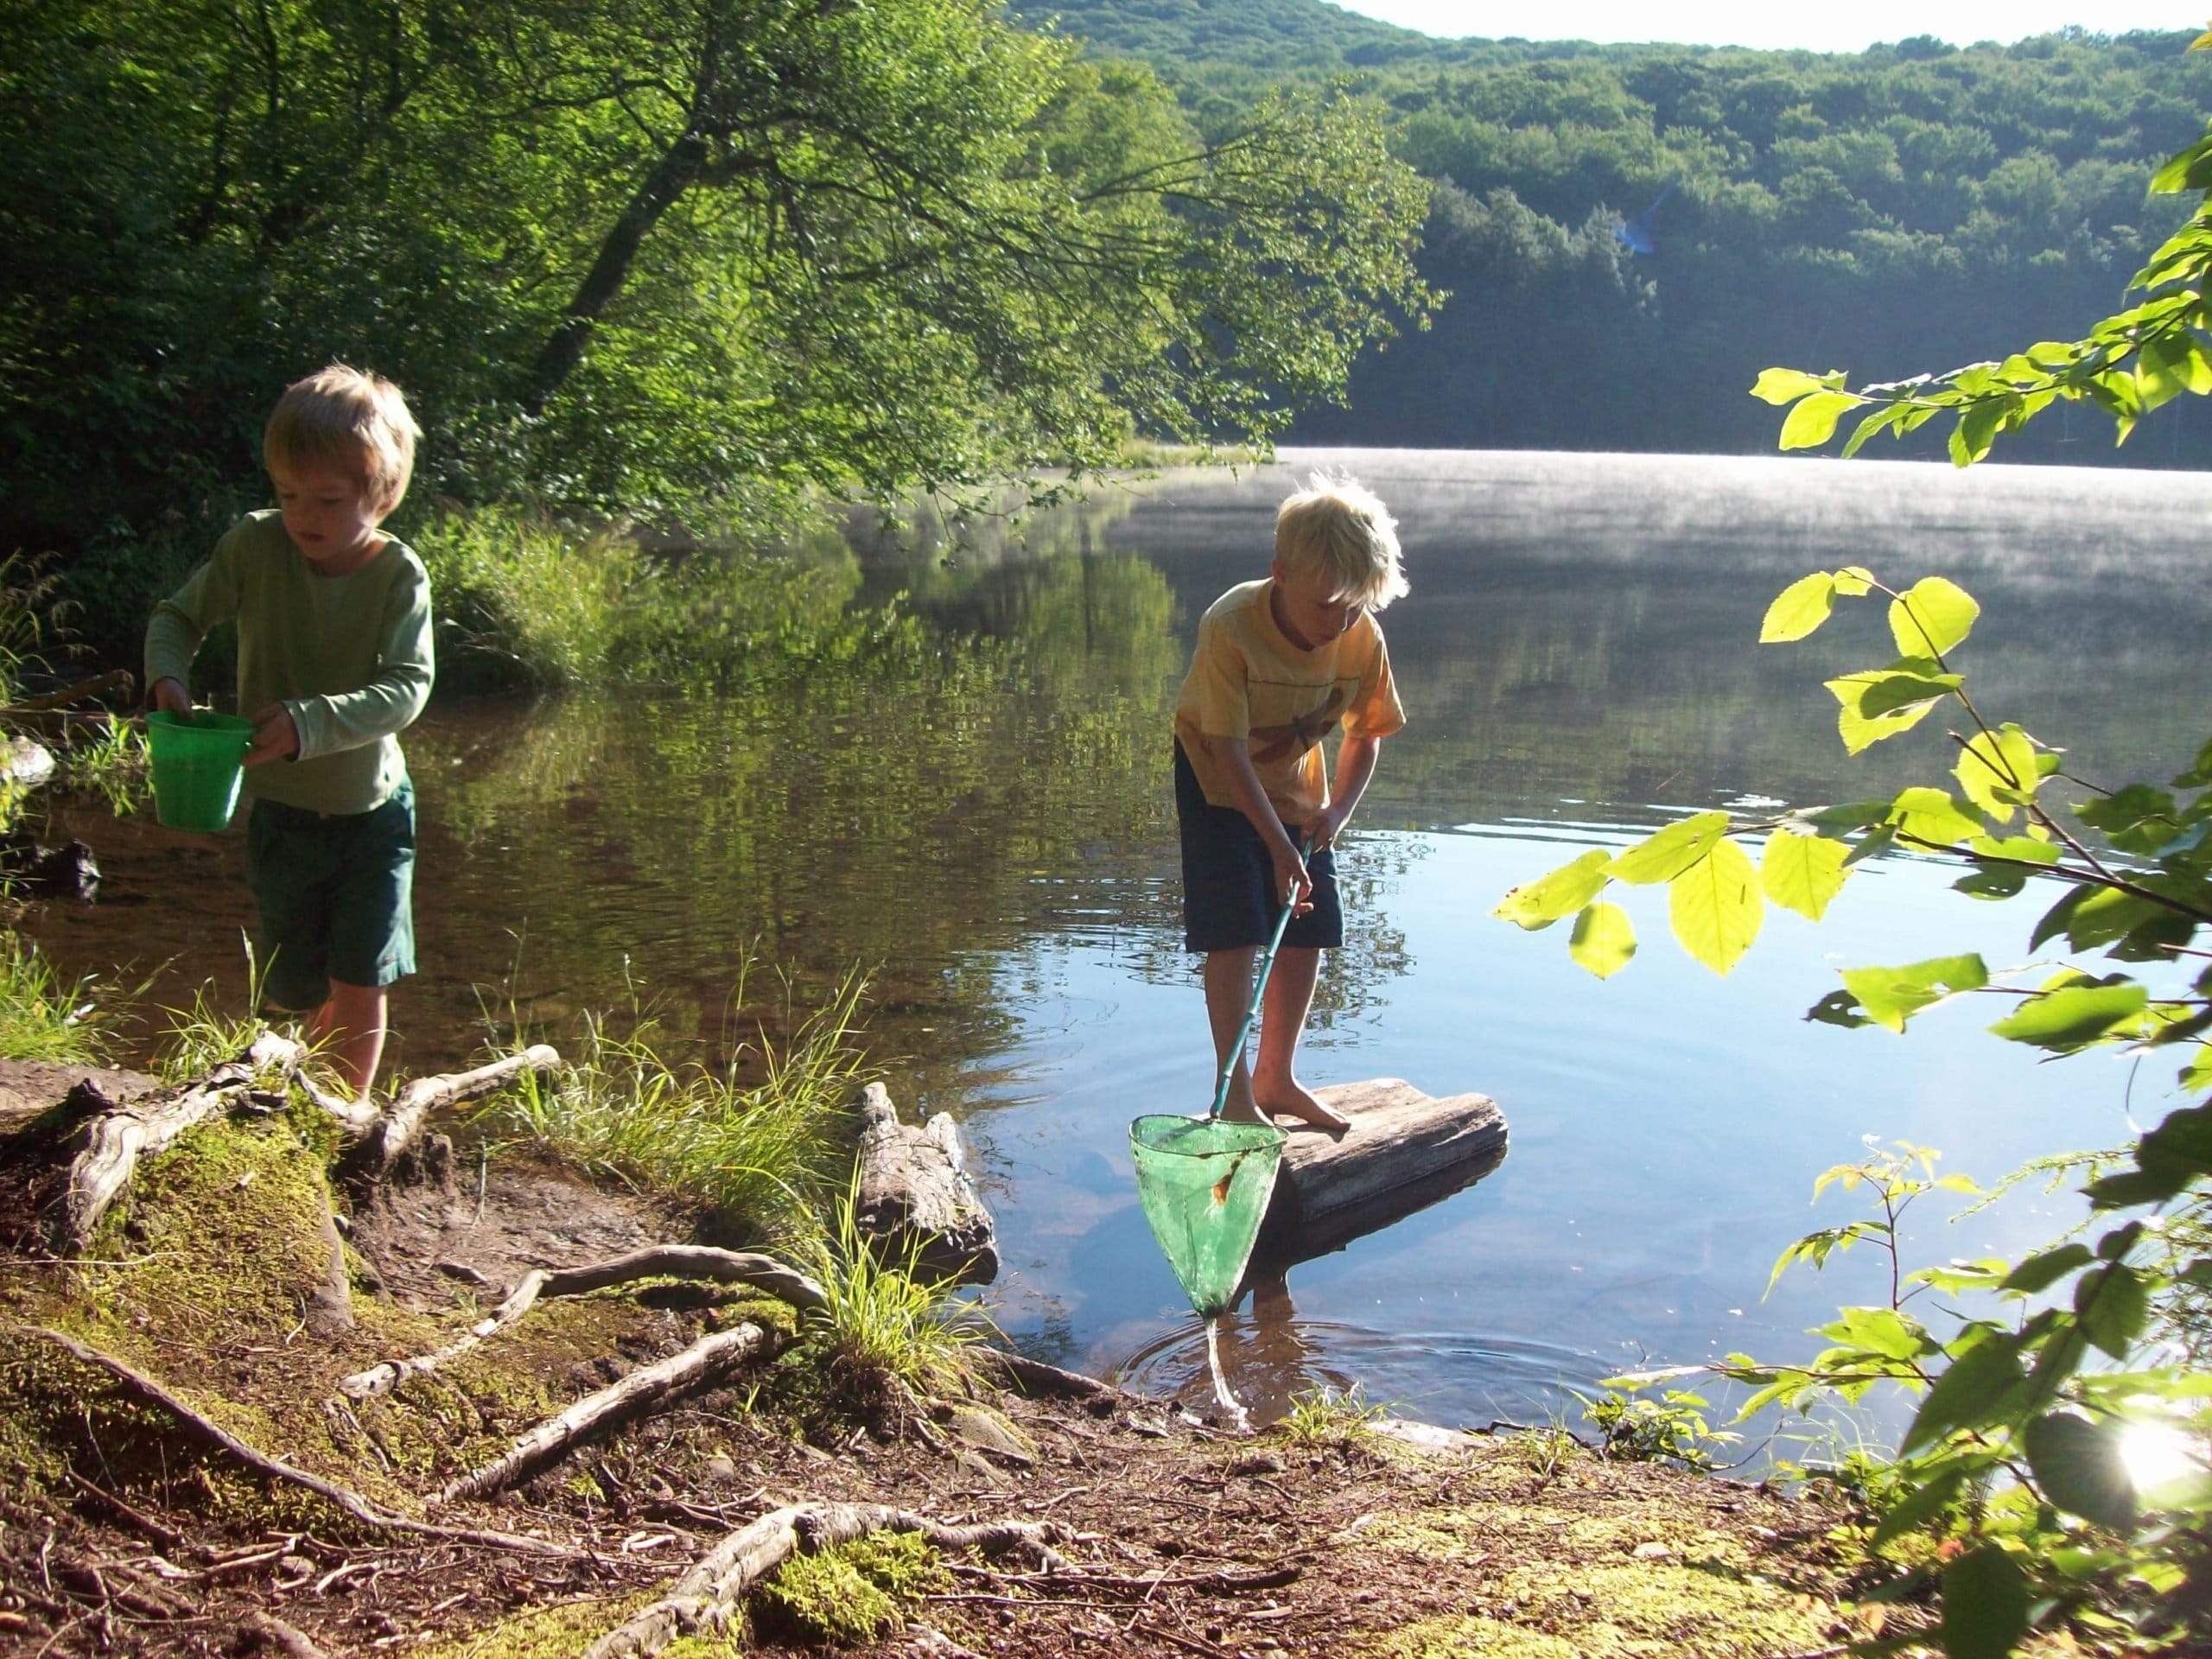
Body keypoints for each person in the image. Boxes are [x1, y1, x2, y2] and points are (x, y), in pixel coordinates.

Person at [146, 365, 435, 1101]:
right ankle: (307, 1098)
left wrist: (308, 721)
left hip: (372, 814)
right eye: (288, 494)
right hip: (280, 810)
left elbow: (408, 688)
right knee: (298, 986)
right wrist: (166, 678)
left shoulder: (399, 576)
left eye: (329, 499)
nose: (304, 514)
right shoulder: (255, 547)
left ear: (383, 493)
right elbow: (176, 617)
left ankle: (344, 1120)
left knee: (361, 976)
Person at [1172, 474, 1408, 1130]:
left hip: (1301, 791)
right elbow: (1227, 749)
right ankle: (1237, 1088)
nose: (1340, 623)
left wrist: (1338, 813)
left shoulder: (1362, 637)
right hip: (1220, 779)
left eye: (1355, 607)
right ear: (1279, 574)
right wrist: (1276, 847)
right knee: (1238, 929)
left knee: (1307, 927)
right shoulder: (1231, 626)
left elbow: (1366, 736)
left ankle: (1278, 1076)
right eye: (1326, 607)